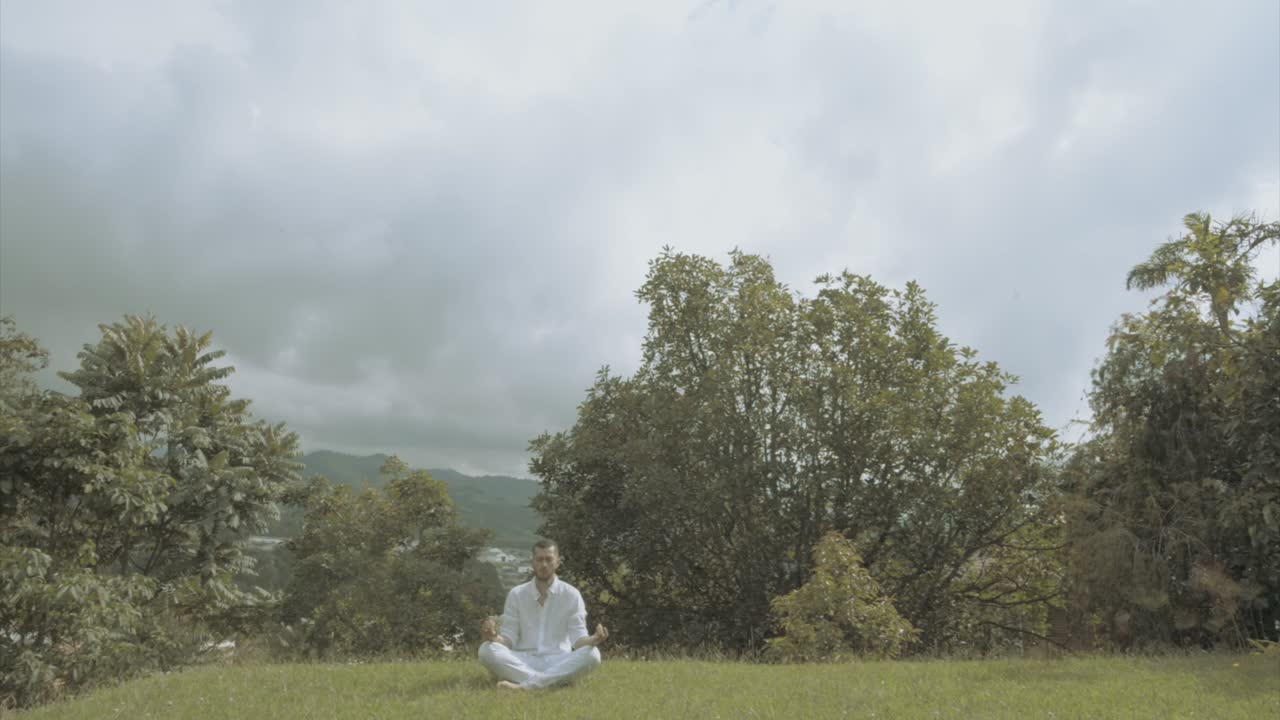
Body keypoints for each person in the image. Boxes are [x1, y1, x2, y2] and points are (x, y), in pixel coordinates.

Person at [477, 539, 609, 690]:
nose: (544, 565)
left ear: (558, 562)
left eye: (549, 559)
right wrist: (494, 637)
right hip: (523, 659)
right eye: (539, 560)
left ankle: (525, 686)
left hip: (558, 659)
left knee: (593, 654)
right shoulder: (517, 594)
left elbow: (578, 640)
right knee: (486, 649)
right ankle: (553, 681)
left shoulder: (571, 595)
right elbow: (509, 639)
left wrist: (595, 639)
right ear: (533, 562)